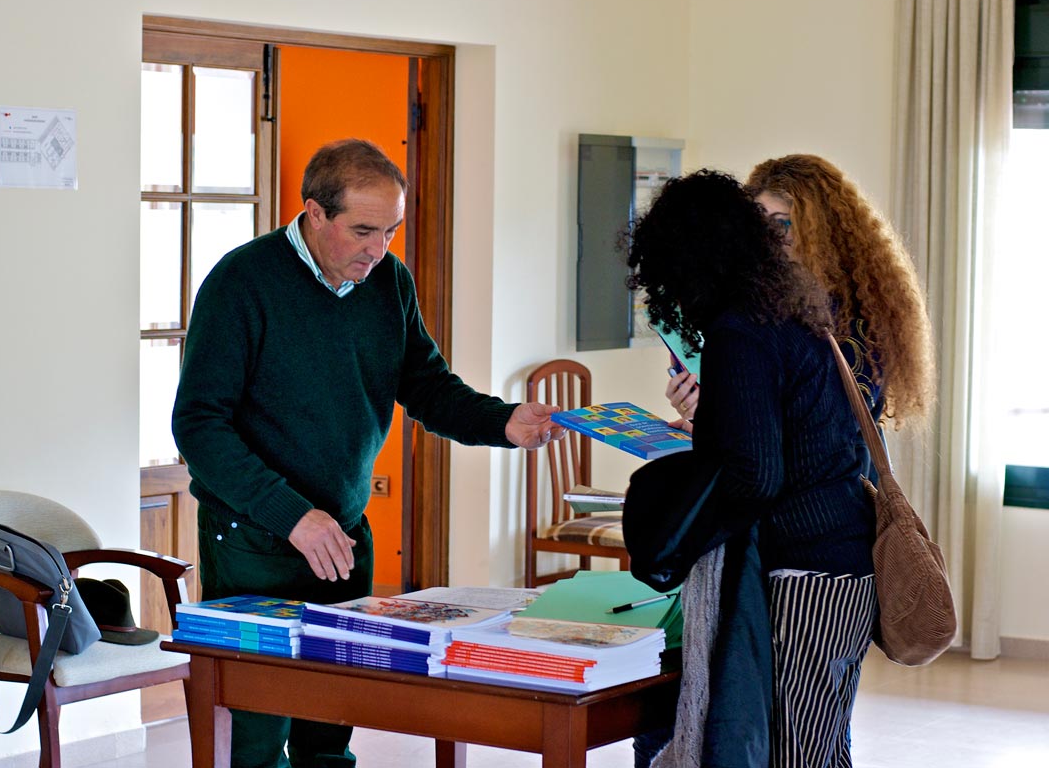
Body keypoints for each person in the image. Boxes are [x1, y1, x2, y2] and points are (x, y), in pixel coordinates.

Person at [172, 138, 563, 768]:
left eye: (390, 232)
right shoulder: (242, 282)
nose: (378, 249)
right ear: (314, 212)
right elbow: (198, 426)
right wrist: (292, 515)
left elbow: (428, 387)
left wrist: (504, 422)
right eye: (362, 231)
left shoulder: (389, 282)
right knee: (256, 736)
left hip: (344, 535)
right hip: (253, 540)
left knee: (332, 728)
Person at [624, 169, 935, 767]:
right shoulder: (796, 316)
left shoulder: (742, 329)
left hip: (806, 570)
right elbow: (785, 441)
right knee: (816, 745)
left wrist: (679, 534)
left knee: (800, 751)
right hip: (839, 558)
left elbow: (756, 475)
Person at [663, 154, 935, 442]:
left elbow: (819, 436)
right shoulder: (774, 306)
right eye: (759, 226)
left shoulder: (855, 317)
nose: (767, 240)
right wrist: (710, 415)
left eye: (781, 225)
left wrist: (722, 414)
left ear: (819, 230)